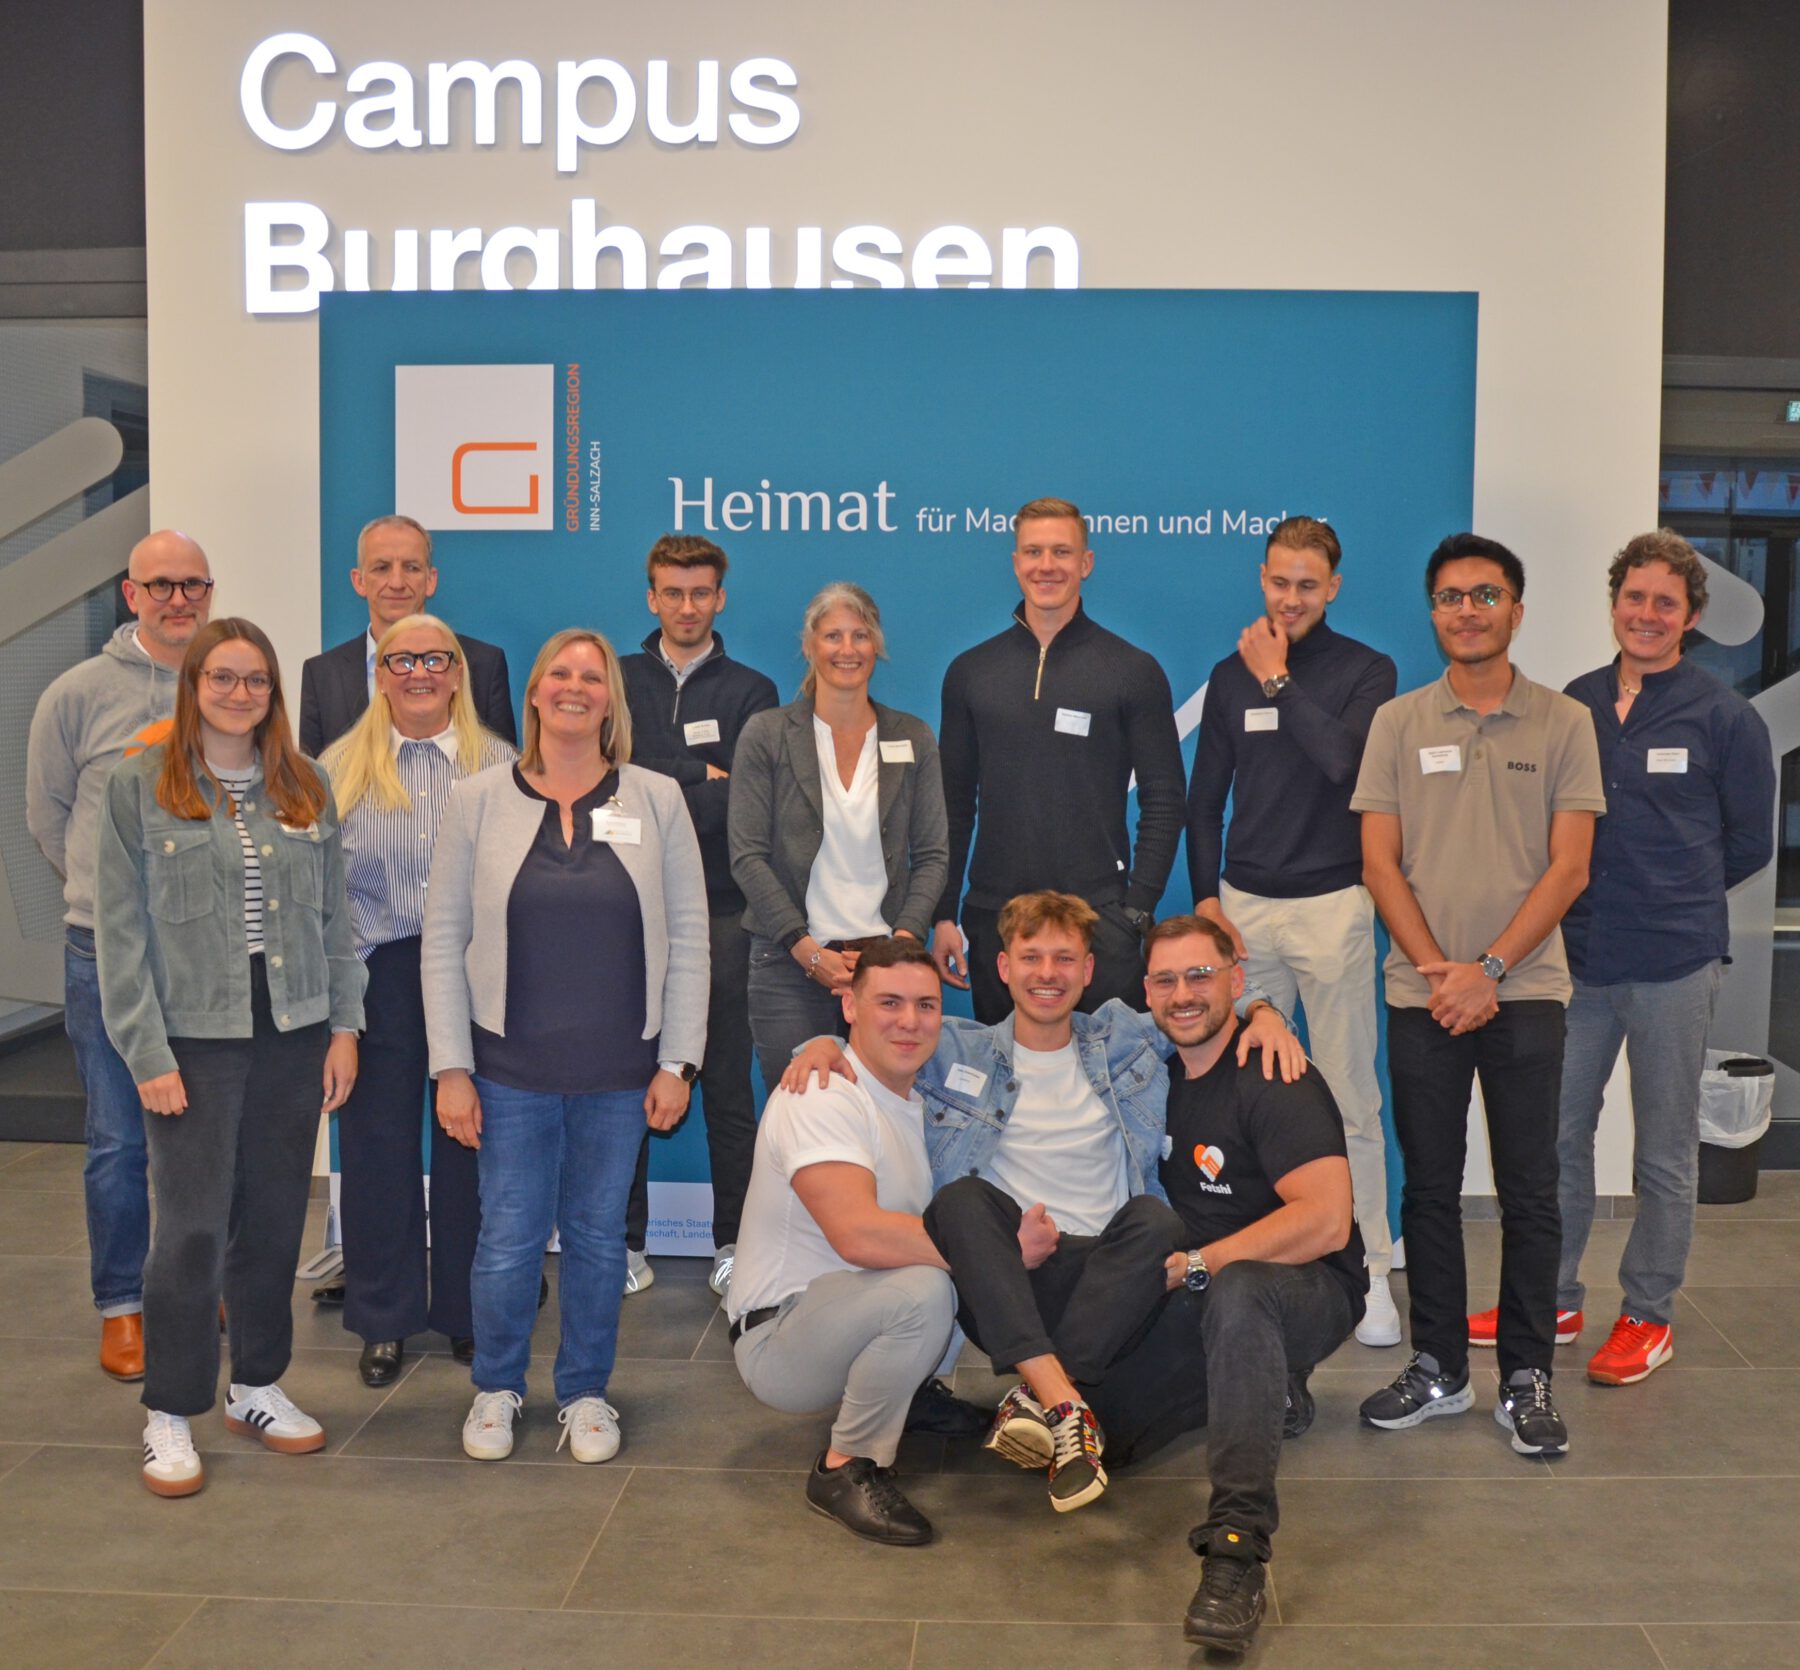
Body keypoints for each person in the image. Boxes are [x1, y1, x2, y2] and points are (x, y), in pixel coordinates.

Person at [1483, 531, 1772, 1385]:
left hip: (1674, 963)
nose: (1646, 615)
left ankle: (1648, 1314)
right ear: (1614, 604)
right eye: (1634, 598)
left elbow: (1750, 843)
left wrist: (1670, 889)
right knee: (1556, 1137)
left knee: (1664, 1150)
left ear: (1690, 618)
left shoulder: (1724, 716)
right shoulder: (1571, 704)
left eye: (1665, 603)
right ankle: (1554, 1298)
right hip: (1574, 961)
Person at [421, 629, 708, 1466]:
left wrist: (677, 1060)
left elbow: (690, 937)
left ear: (610, 700)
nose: (576, 687)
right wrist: (451, 1069)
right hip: (509, 1068)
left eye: (593, 677)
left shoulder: (656, 799)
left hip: (622, 1071)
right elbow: (444, 941)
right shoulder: (477, 801)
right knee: (507, 1236)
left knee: (594, 1240)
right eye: (560, 674)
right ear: (536, 694)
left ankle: (585, 1393)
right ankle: (497, 1390)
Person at [95, 618, 365, 1497]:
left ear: (273, 694)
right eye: (223, 678)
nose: (240, 694)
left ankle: (256, 1383)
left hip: (291, 1030)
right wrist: (145, 1051)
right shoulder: (141, 785)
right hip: (192, 1041)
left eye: (255, 681)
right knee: (192, 1229)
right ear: (194, 685)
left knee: (276, 1217)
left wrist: (343, 1028)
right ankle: (170, 1410)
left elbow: (335, 924)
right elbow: (119, 933)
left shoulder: (305, 783)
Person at [1352, 534, 1605, 1457]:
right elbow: (1379, 862)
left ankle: (1527, 1376)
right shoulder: (1398, 723)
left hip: (1525, 992)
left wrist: (1488, 971)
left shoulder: (1564, 723)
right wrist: (1440, 974)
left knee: (1531, 1190)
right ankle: (1441, 1369)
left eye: (1486, 595)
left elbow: (1570, 866)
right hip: (1424, 994)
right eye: (1452, 597)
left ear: (1516, 611)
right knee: (1429, 1189)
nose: (1468, 610)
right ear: (1434, 614)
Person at [1100, 915, 1363, 1653]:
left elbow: (1328, 1222)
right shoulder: (1146, 1069)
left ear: (1235, 981)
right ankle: (1267, 1387)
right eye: (1166, 980)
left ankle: (1236, 1549)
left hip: (1305, 1288)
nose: (1184, 994)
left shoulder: (1276, 1076)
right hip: (1199, 1293)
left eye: (1201, 976)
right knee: (1108, 1439)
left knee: (1241, 1289)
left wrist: (1203, 1266)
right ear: (1146, 991)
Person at [1186, 515, 1402, 1347]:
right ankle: (1267, 1255)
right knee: (1250, 1097)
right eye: (1279, 582)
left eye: (1308, 585)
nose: (1291, 597)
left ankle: (1373, 1268)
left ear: (1334, 586)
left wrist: (1278, 680)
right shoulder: (1225, 675)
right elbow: (1206, 802)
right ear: (1263, 577)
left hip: (1333, 906)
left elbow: (1347, 766)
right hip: (1244, 911)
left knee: (1348, 1094)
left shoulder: (1364, 670)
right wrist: (1207, 900)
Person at [26, 529, 214, 1383]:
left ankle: (189, 1285)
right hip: (103, 949)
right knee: (117, 1139)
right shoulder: (79, 693)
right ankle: (122, 1308)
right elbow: (52, 815)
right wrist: (116, 901)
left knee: (202, 1135)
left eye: (193, 585)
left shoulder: (232, 684)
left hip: (205, 953)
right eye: (162, 585)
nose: (179, 600)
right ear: (131, 593)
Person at [322, 614, 517, 1387]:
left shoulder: (502, 765)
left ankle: (470, 1312)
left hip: (478, 972)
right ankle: (384, 1317)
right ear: (382, 673)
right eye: (402, 659)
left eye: (436, 658)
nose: (419, 672)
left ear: (458, 672)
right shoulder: (338, 768)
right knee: (379, 1151)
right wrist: (340, 1015)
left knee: (474, 1148)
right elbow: (325, 906)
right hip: (381, 977)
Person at [727, 937, 969, 1546]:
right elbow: (857, 1235)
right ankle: (845, 1467)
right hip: (779, 1339)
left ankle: (909, 1396)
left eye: (926, 1005)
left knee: (962, 1231)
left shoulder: (912, 1093)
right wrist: (993, 1251)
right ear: (850, 1007)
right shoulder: (823, 1092)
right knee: (930, 1284)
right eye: (888, 1002)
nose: (910, 1021)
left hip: (842, 1313)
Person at [932, 496, 1185, 1022]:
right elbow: (953, 805)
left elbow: (1164, 797)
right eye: (1033, 551)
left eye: (1062, 552)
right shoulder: (970, 672)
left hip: (1099, 921)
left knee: (1106, 1091)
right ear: (1015, 561)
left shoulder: (1132, 670)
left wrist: (1135, 910)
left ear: (1086, 563)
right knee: (1004, 1095)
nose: (1047, 565)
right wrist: (943, 913)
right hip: (995, 919)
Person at [620, 533, 778, 1301]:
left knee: (726, 1089)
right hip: (619, 912)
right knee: (622, 1081)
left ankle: (734, 1245)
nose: (686, 607)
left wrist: (655, 777)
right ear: (651, 597)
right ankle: (620, 1242)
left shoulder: (752, 690)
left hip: (724, 912)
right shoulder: (614, 677)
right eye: (671, 593)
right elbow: (606, 779)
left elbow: (744, 803)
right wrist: (692, 774)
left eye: (701, 593)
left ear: (720, 599)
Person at [728, 582, 947, 1095]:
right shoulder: (767, 735)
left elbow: (934, 854)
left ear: (877, 646)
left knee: (886, 1116)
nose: (847, 650)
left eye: (860, 635)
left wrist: (901, 945)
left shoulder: (912, 737)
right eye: (832, 636)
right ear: (809, 646)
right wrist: (807, 952)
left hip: (888, 969)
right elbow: (747, 856)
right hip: (788, 966)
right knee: (801, 1120)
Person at [298, 513, 515, 755]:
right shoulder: (323, 675)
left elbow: (502, 777)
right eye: (381, 568)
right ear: (359, 581)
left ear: (431, 580)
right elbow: (313, 785)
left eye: (411, 567)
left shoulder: (483, 665)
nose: (397, 582)